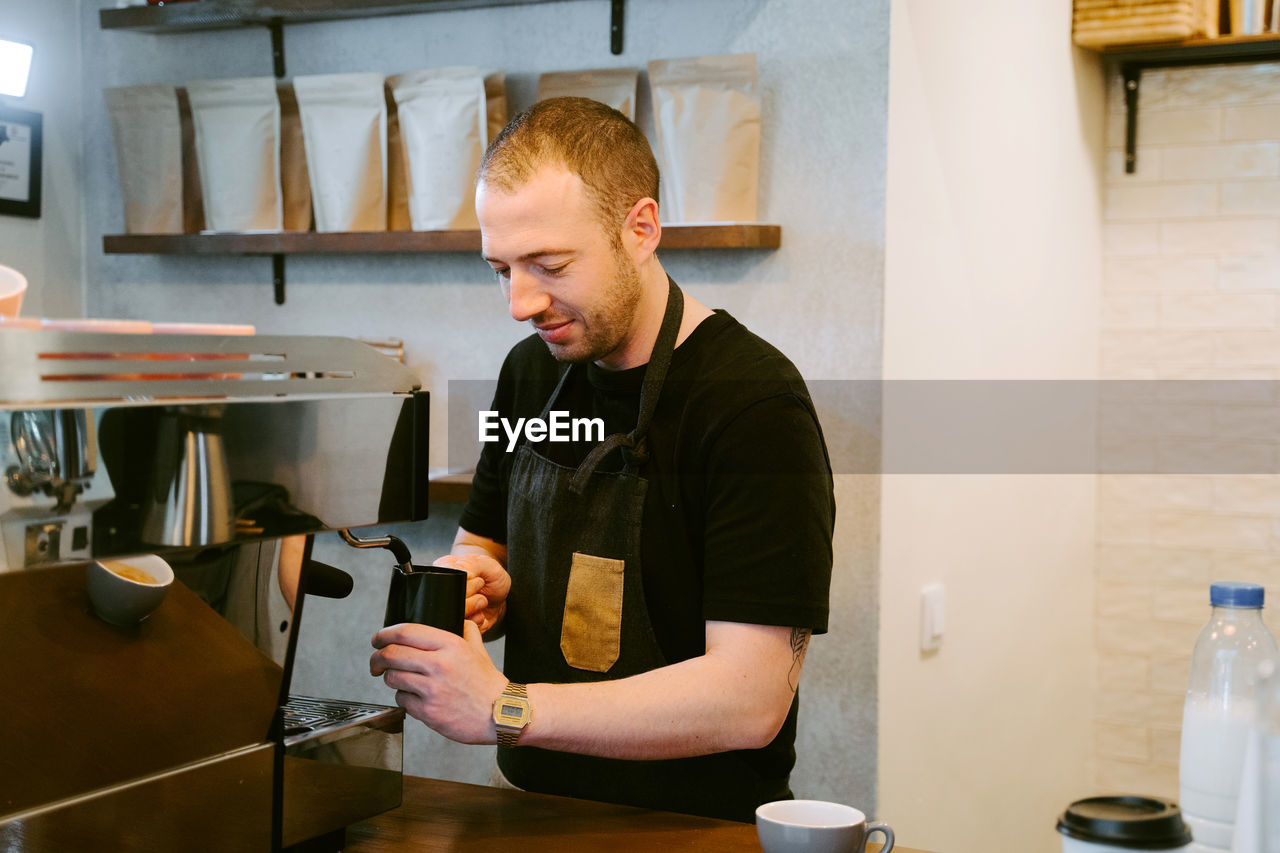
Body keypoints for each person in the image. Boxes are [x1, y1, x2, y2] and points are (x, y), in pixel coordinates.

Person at [369, 97, 835, 823]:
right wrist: (472, 588)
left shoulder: (751, 404)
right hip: (525, 806)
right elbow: (480, 544)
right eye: (501, 269)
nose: (520, 302)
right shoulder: (530, 373)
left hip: (693, 829)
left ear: (641, 228)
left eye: (549, 264)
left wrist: (506, 706)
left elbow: (751, 699)